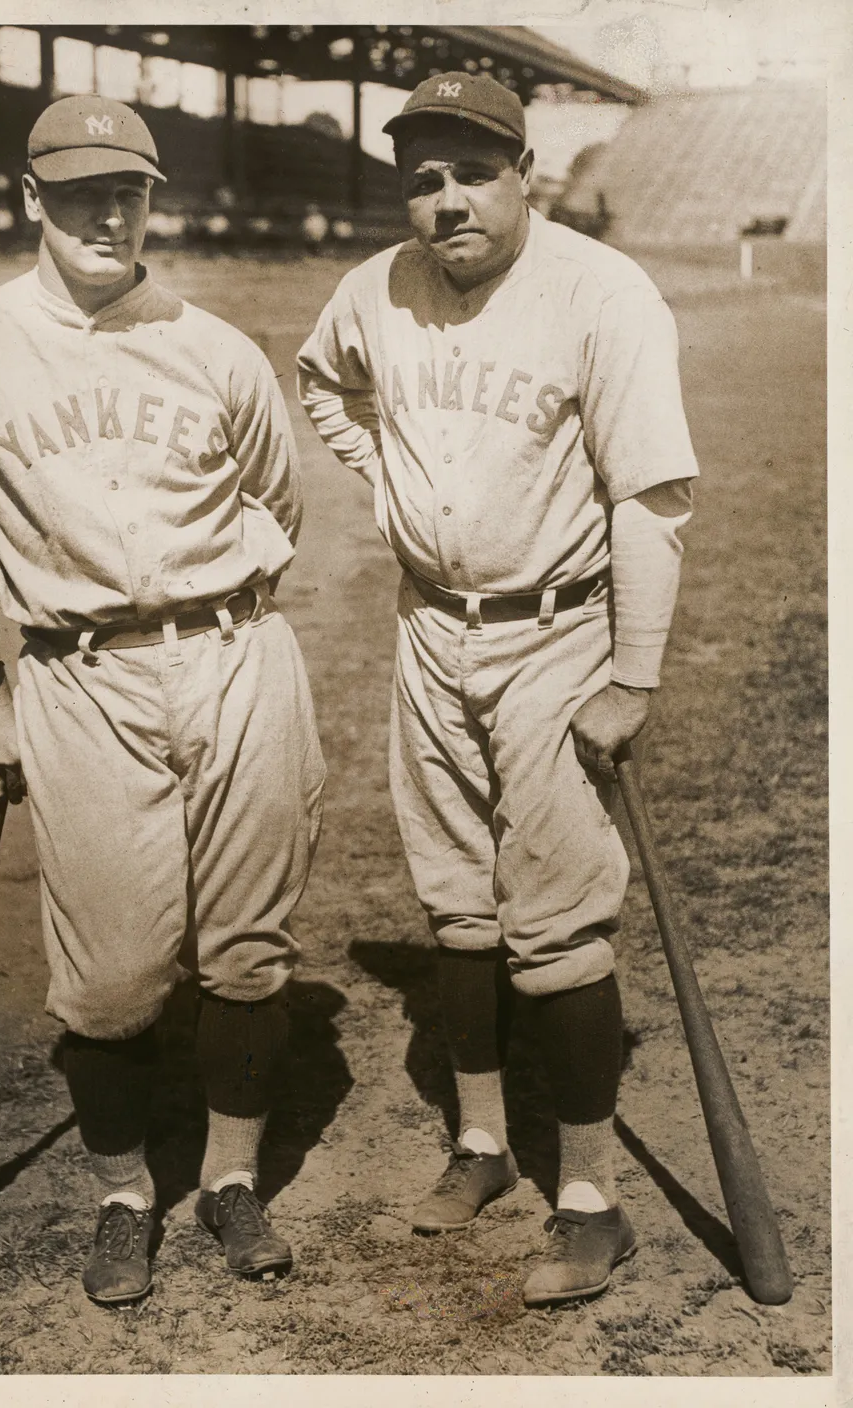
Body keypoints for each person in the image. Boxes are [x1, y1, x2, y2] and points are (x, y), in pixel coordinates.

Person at [0, 95, 325, 1305]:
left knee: (247, 949)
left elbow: (275, 509)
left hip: (236, 652)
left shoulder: (215, 344)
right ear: (28, 196)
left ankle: (232, 1182)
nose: (105, 211)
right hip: (77, 675)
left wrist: (207, 619)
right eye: (78, 188)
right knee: (111, 978)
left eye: (126, 189)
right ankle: (125, 1192)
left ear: (152, 198)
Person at [297, 72, 697, 1306]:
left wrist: (631, 674)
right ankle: (478, 1144)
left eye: (473, 172)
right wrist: (389, 479)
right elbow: (323, 384)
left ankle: (588, 1200)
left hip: (557, 634)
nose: (447, 201)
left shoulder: (600, 291)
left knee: (559, 921)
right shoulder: (373, 287)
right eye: (421, 179)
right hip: (430, 633)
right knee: (457, 907)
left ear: (524, 171)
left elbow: (651, 497)